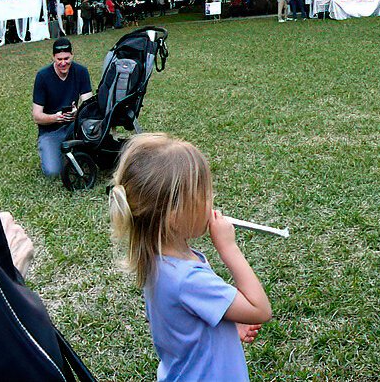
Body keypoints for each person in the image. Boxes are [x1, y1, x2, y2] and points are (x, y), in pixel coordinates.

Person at [108, 133, 271, 381]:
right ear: (175, 215)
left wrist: (225, 328)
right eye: (205, 194)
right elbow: (260, 310)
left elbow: (183, 325)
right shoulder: (187, 278)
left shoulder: (157, 260)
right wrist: (229, 248)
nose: (212, 200)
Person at [31, 39, 91, 178]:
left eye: (66, 58)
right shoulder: (42, 76)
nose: (63, 63)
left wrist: (78, 112)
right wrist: (55, 117)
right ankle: (53, 151)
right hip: (51, 131)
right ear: (53, 57)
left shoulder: (81, 71)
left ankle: (71, 151)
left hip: (74, 126)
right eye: (59, 59)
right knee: (52, 172)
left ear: (72, 56)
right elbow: (37, 116)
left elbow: (88, 103)